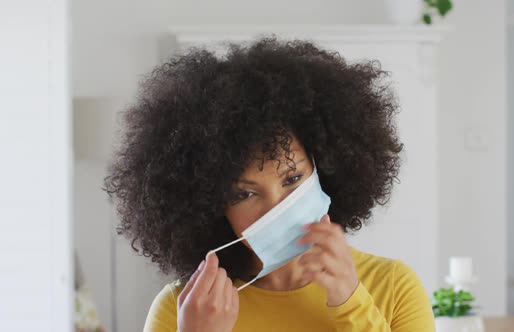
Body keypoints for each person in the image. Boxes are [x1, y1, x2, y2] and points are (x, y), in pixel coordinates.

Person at [104, 36, 435, 332]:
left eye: (292, 179)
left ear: (325, 169)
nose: (277, 208)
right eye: (245, 193)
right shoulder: (185, 309)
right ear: (212, 206)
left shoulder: (393, 287)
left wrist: (351, 301)